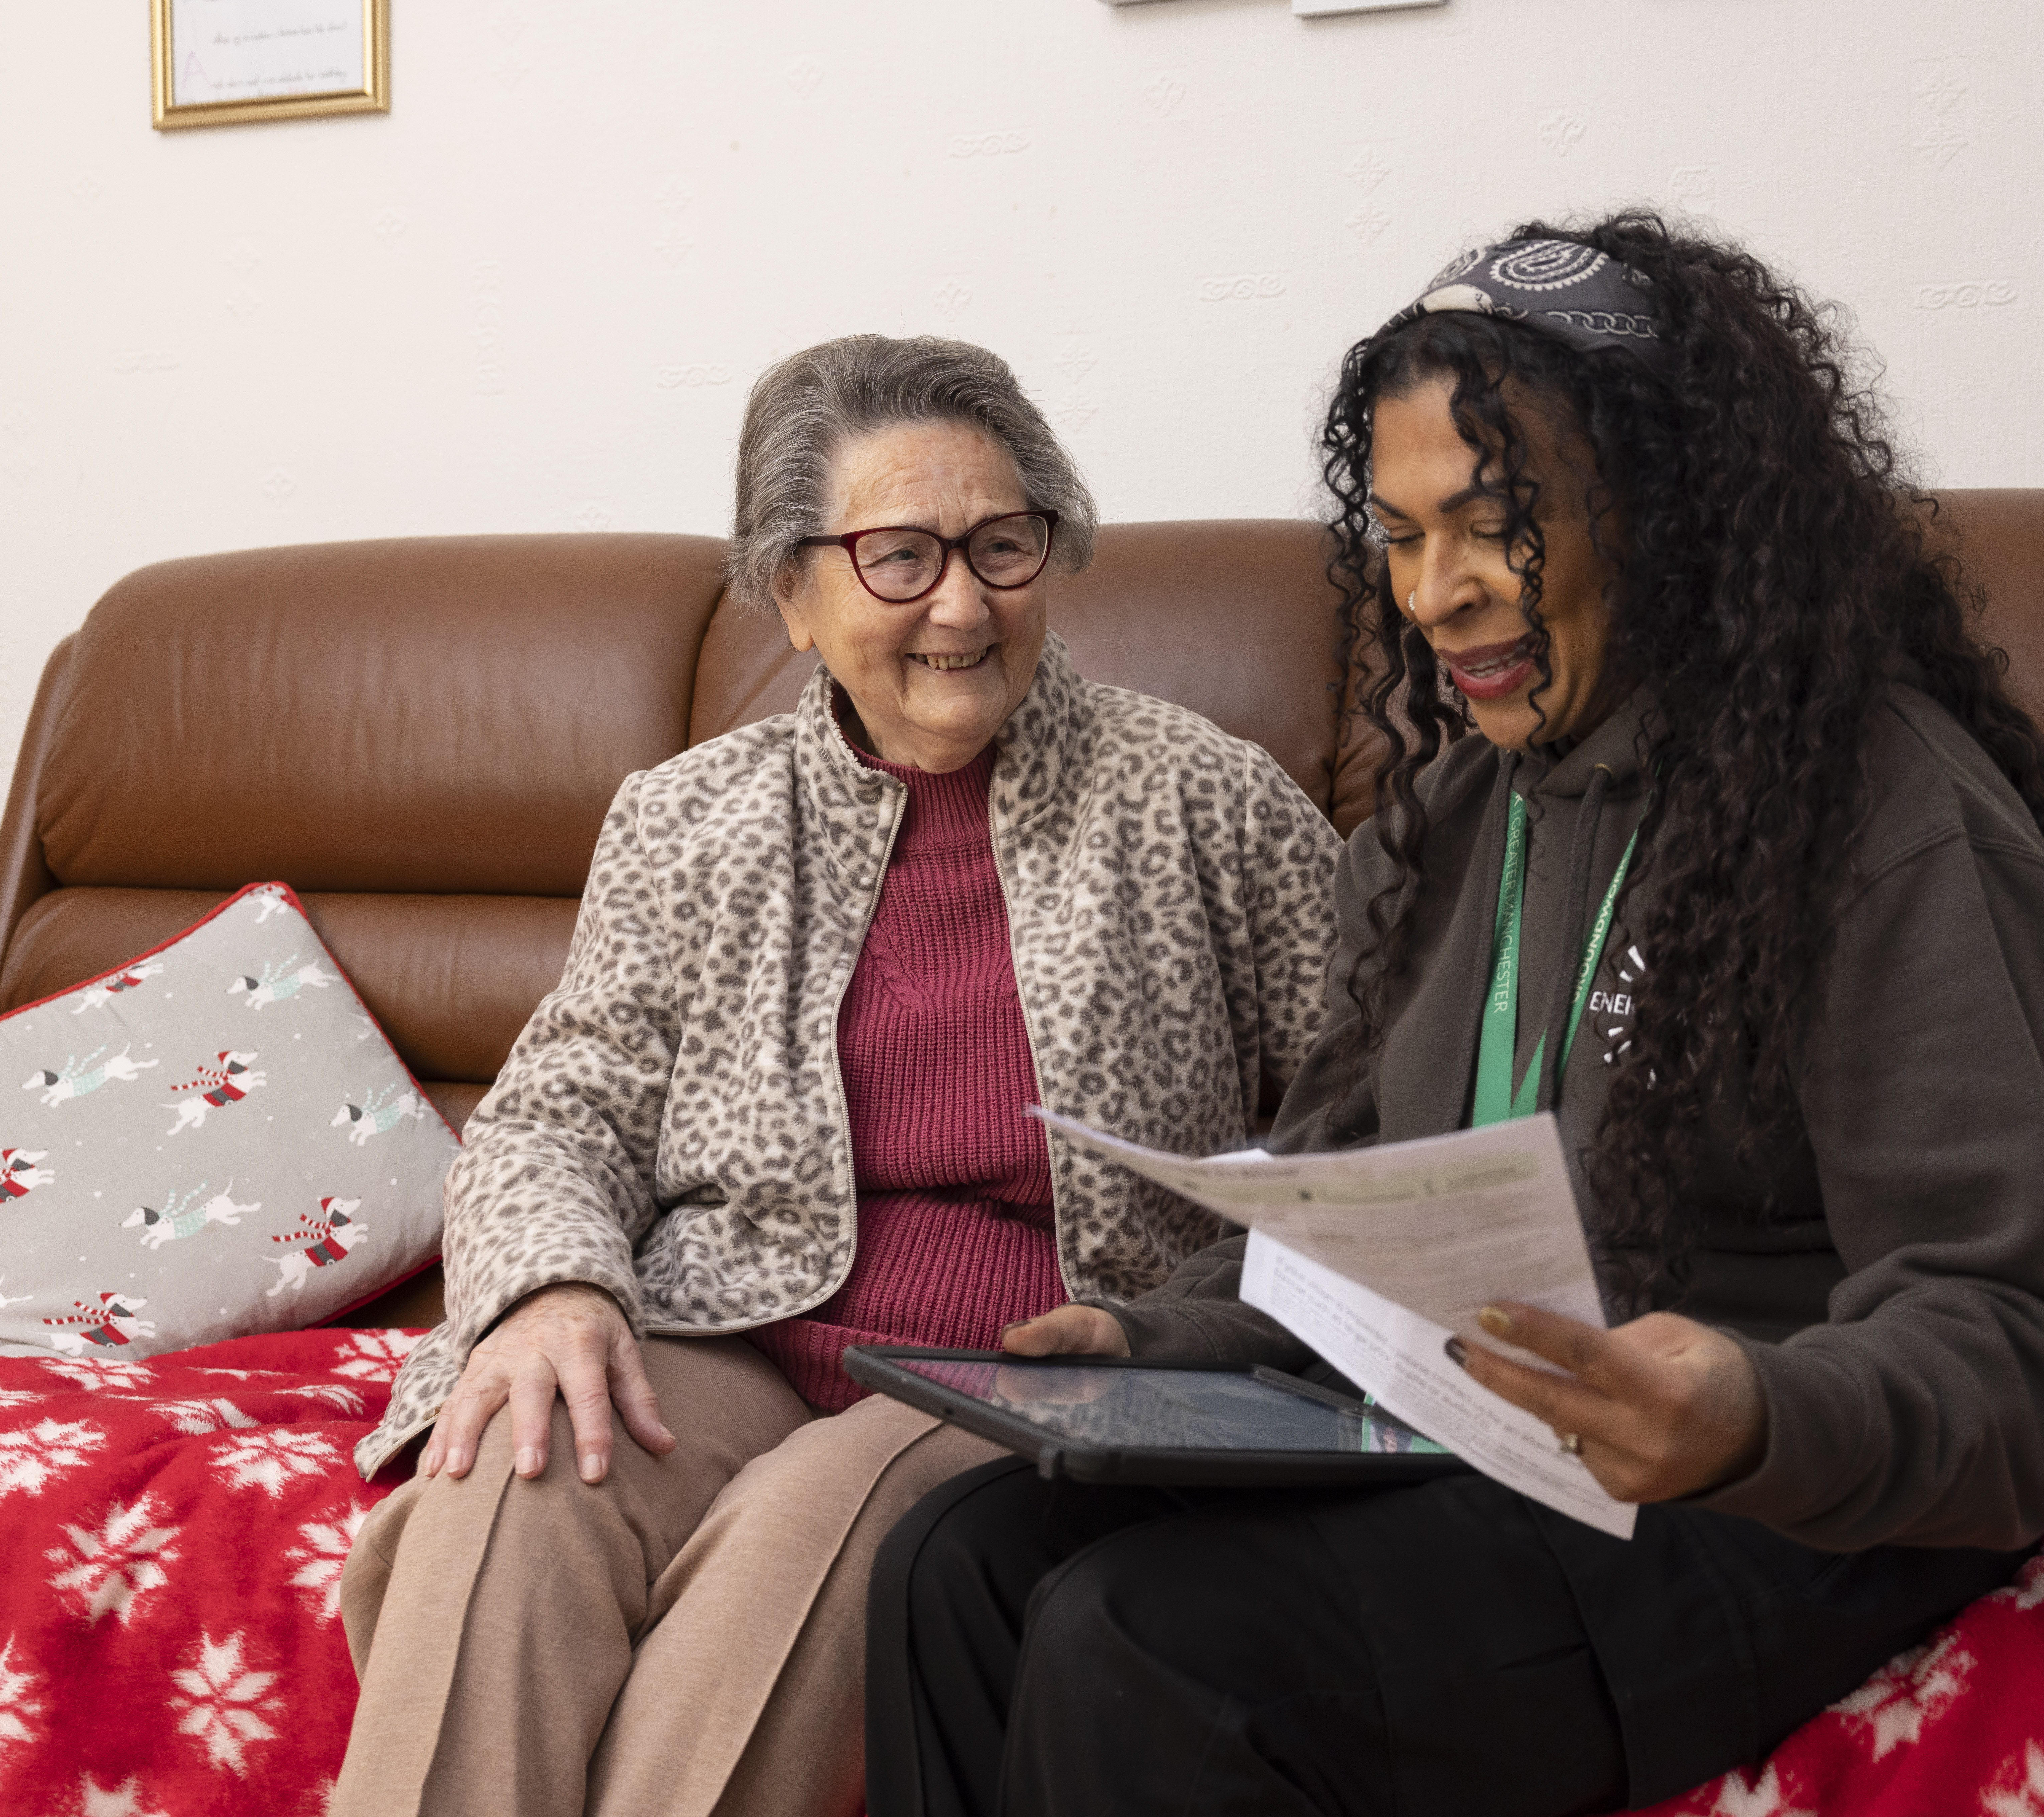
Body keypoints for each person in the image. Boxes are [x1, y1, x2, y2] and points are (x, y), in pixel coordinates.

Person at [866, 216, 2044, 1816]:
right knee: (949, 1564)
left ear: (1670, 513)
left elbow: (2020, 1356)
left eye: (1496, 524)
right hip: (1478, 1425)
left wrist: (1748, 1410)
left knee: (1148, 1644)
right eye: (1400, 539)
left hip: (1769, 1494)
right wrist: (1151, 1342)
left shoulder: (1879, 821)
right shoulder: (1446, 821)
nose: (1437, 595)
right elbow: (1355, 1210)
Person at [328, 334, 1343, 1817]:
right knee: (511, 1479)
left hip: (1022, 1358)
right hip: (727, 1329)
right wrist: (551, 1294)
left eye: (1003, 544)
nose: (960, 601)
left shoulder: (1205, 801)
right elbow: (561, 1107)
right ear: (792, 596)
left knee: (806, 1547)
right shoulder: (687, 821)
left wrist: (1179, 1327)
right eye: (897, 556)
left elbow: (1368, 1131)